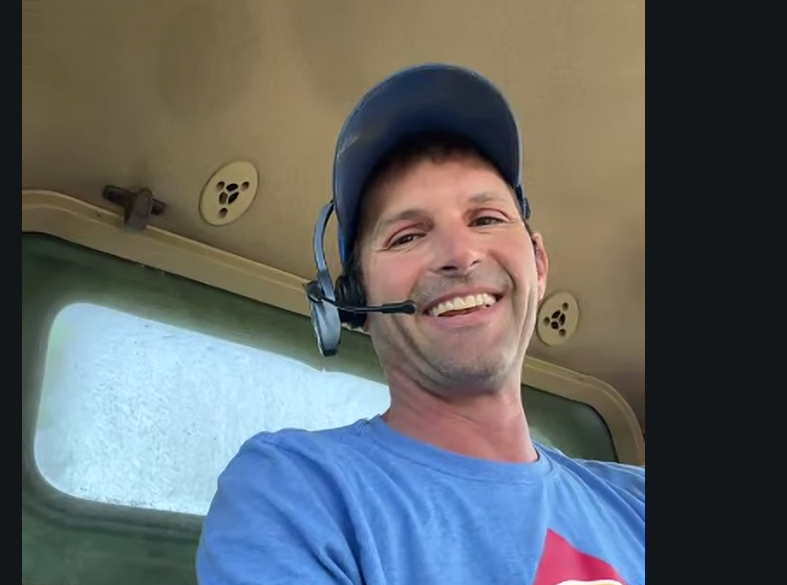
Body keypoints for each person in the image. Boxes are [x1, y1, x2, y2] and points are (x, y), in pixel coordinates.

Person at [196, 63, 645, 585]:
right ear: (355, 300)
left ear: (539, 263)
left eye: (486, 219)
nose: (460, 254)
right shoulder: (297, 489)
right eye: (408, 235)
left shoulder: (637, 501)